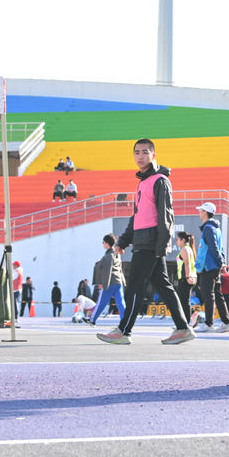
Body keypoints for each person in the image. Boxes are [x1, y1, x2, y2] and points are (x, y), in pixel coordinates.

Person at [97, 139, 194, 345]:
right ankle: (183, 328)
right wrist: (124, 240)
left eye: (145, 152)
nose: (140, 156)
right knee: (163, 286)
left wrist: (162, 245)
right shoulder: (142, 182)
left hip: (150, 242)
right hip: (142, 240)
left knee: (134, 287)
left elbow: (166, 215)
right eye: (137, 152)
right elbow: (137, 216)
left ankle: (124, 331)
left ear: (154, 155)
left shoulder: (160, 181)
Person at [193, 201, 229, 331]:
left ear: (206, 212)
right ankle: (226, 322)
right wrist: (222, 262)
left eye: (201, 210)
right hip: (214, 266)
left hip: (208, 266)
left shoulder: (208, 228)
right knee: (217, 294)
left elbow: (214, 248)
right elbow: (220, 248)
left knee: (208, 294)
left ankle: (209, 324)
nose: (199, 212)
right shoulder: (216, 228)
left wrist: (221, 263)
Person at [90, 234, 126, 325]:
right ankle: (125, 321)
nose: (103, 244)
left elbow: (107, 271)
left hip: (110, 283)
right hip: (118, 281)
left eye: (103, 242)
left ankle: (92, 320)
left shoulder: (108, 256)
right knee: (121, 303)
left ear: (107, 243)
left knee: (101, 303)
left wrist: (103, 284)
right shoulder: (117, 254)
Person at [175, 231, 198, 325]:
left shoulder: (185, 249)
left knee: (184, 302)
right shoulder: (189, 249)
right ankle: (193, 314)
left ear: (183, 240)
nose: (176, 241)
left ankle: (186, 323)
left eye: (177, 239)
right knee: (182, 301)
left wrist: (188, 277)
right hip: (188, 277)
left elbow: (187, 264)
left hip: (186, 278)